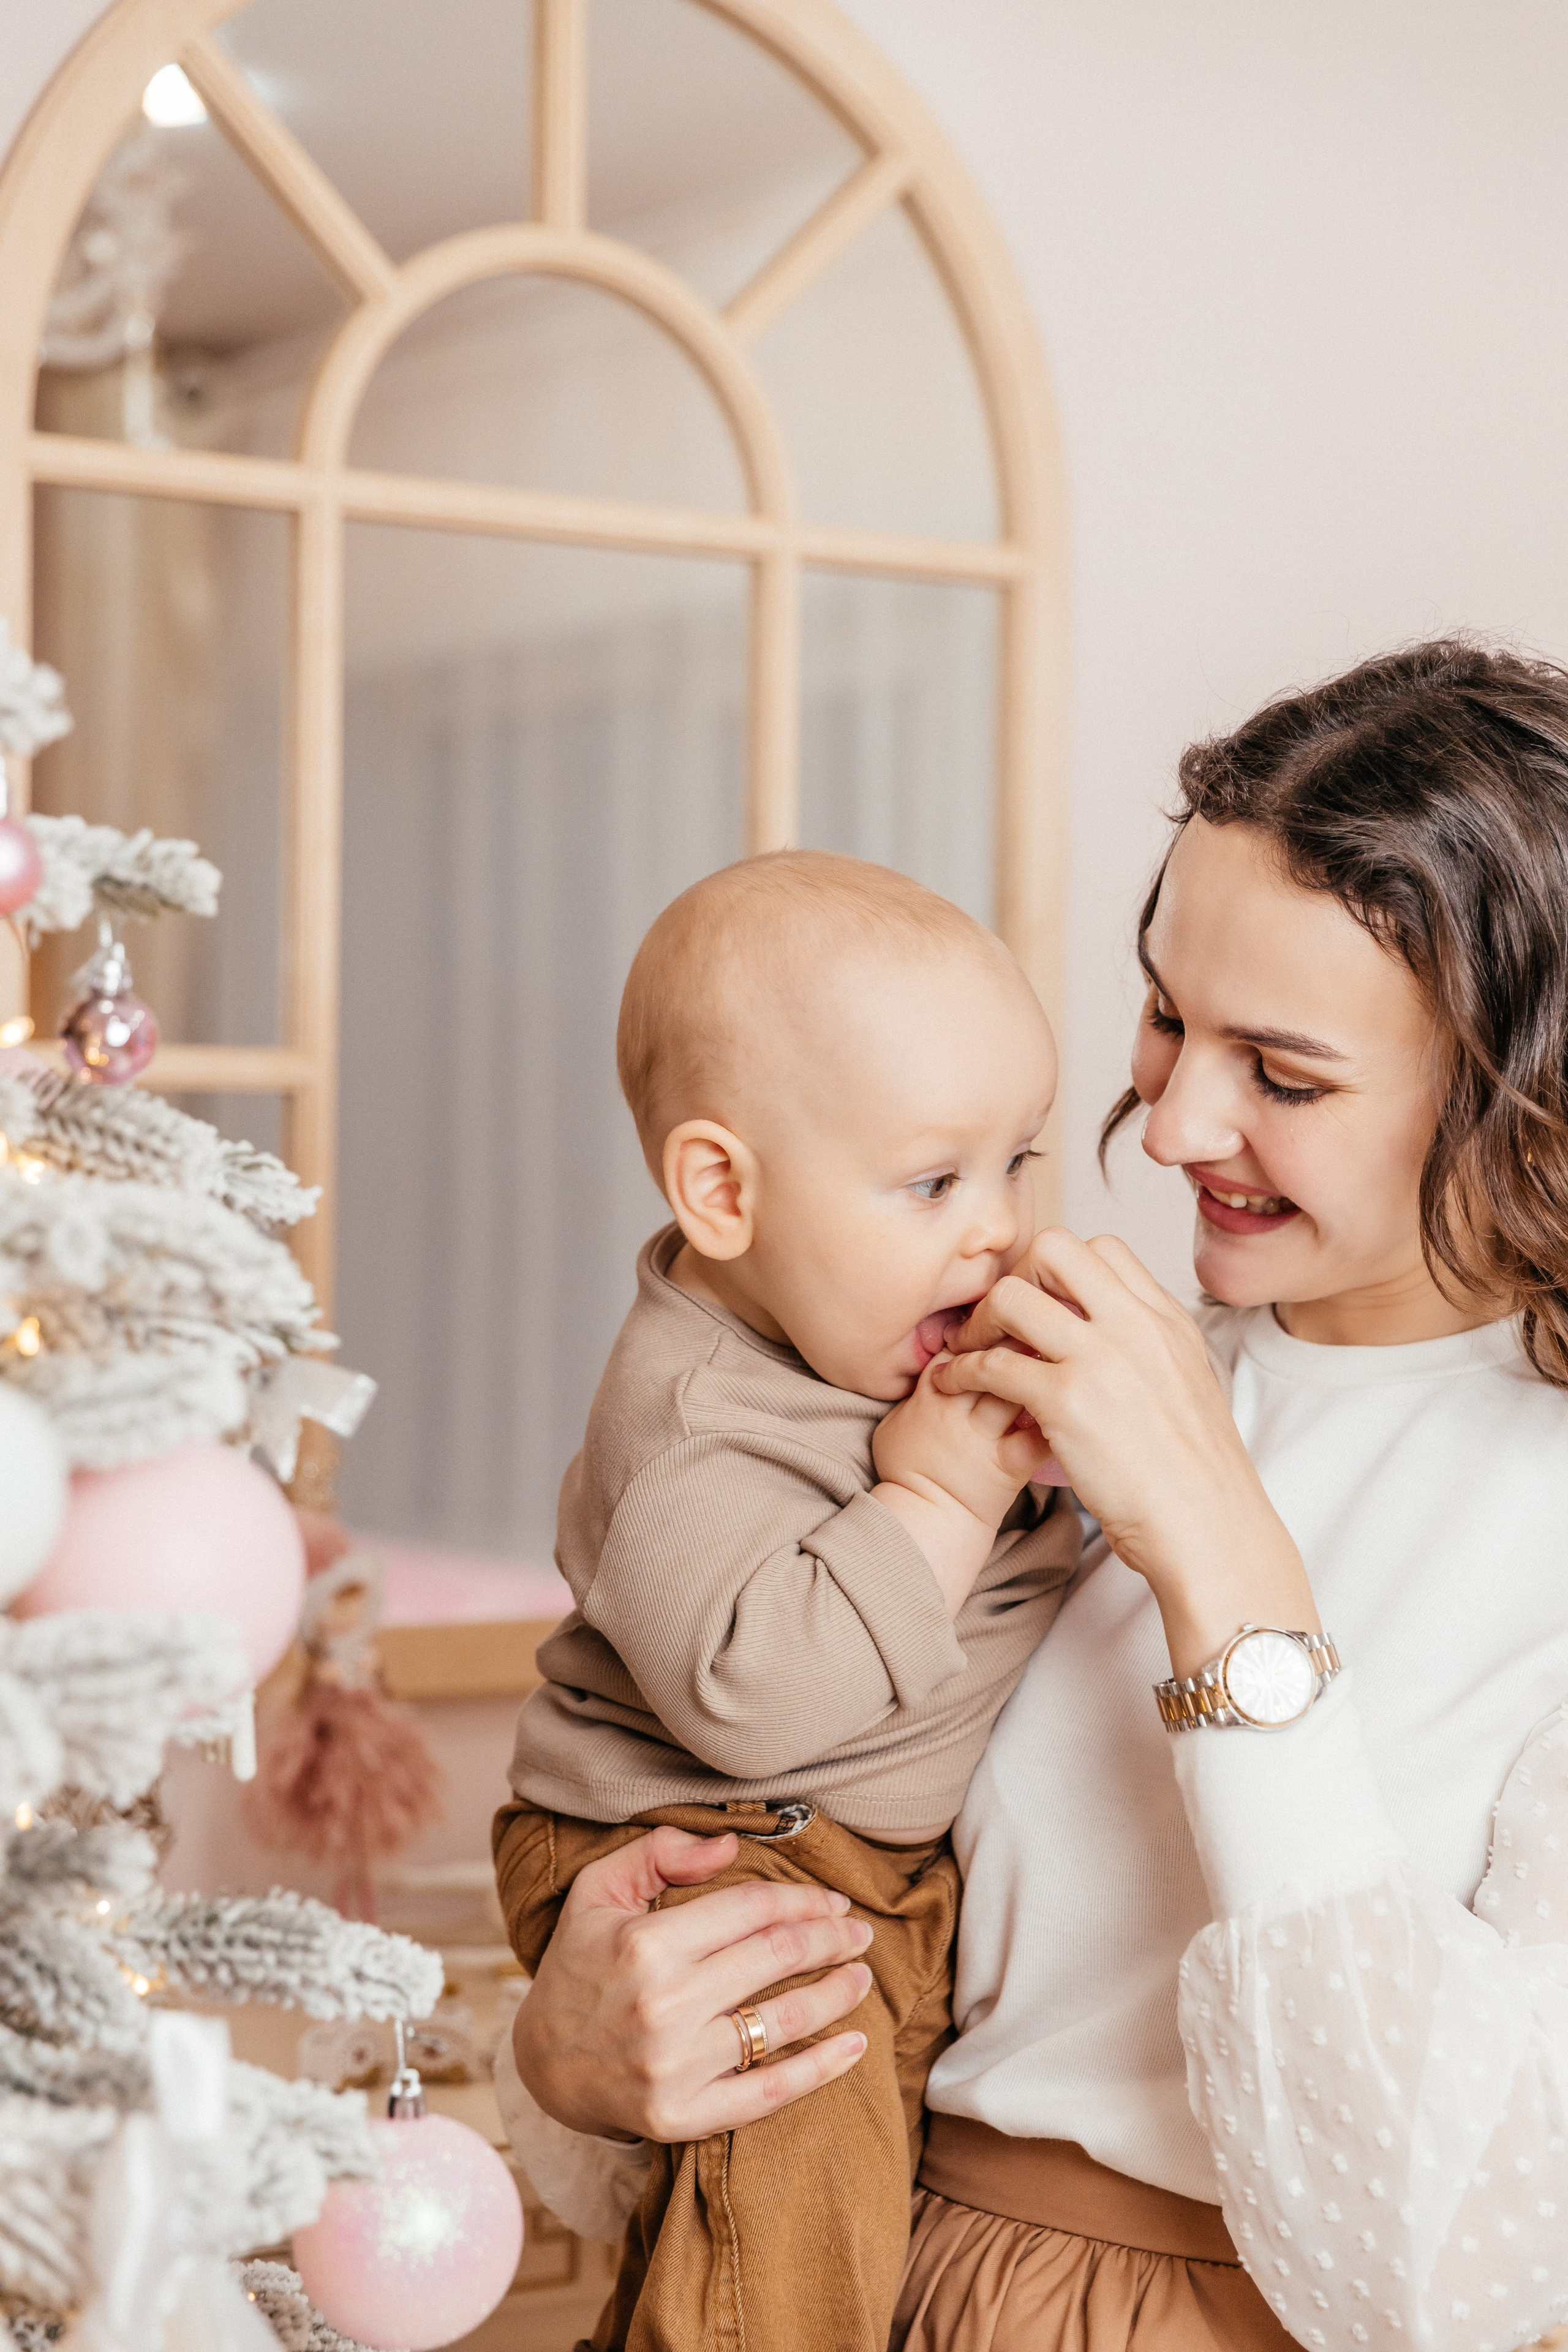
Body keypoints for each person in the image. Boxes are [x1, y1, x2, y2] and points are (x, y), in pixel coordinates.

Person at [509, 639, 1568, 2351]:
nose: (1164, 1134)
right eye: (1163, 1015)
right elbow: (779, 1821)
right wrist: (572, 2050)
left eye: (1283, 1076)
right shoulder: (1029, 1363)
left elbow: (1445, 2275)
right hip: (884, 2280)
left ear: (1523, 1101)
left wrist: (1227, 1562)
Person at [492, 853, 1080, 2351]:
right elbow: (754, 1703)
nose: (996, 1227)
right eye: (932, 1180)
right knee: (789, 2226)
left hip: (846, 1860)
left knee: (791, 2225)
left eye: (1021, 1159)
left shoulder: (875, 1340)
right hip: (701, 1848)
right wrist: (942, 1501)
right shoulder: (692, 1412)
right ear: (724, 1191)